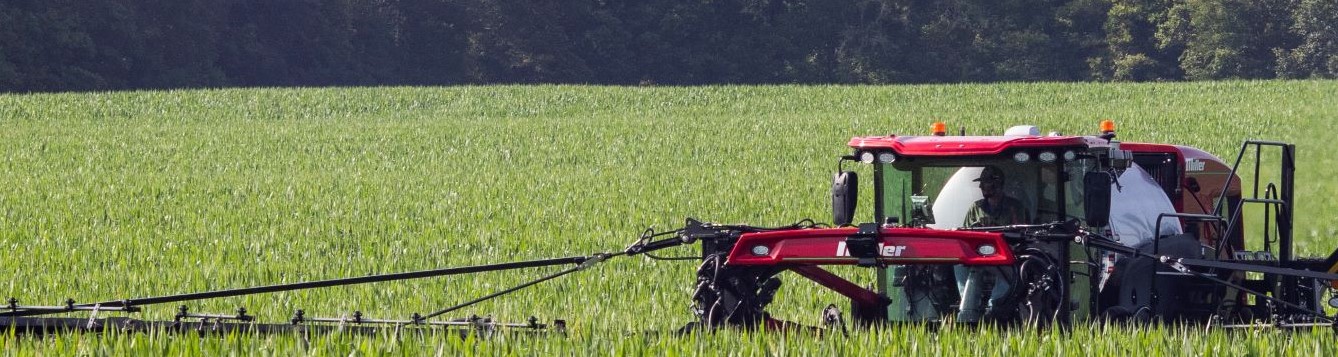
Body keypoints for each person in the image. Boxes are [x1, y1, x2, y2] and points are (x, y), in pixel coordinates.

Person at [957, 166, 1028, 323]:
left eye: (986, 182)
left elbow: (1020, 234)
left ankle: (993, 310)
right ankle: (967, 311)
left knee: (1009, 273)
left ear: (998, 184)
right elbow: (964, 235)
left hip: (1005, 257)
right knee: (959, 265)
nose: (981, 186)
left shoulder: (1014, 207)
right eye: (981, 183)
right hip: (978, 257)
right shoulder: (975, 208)